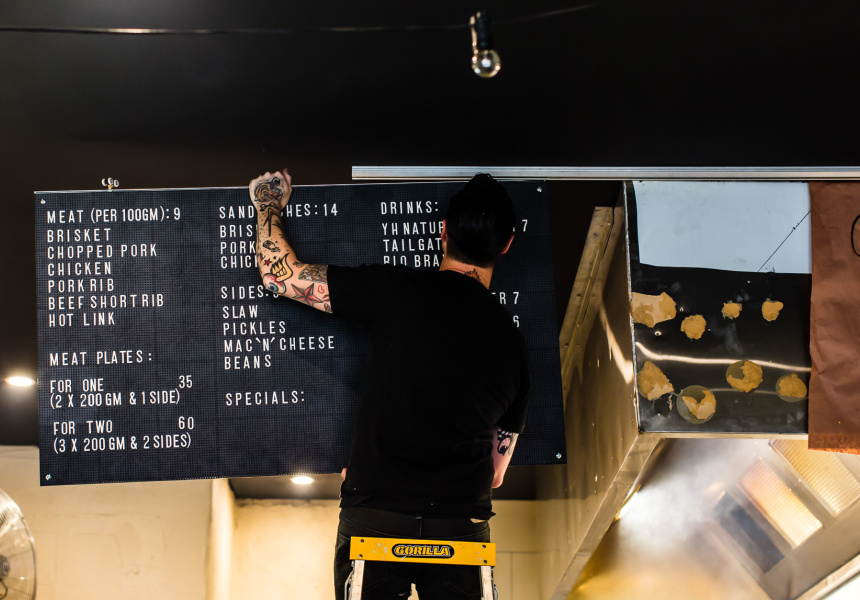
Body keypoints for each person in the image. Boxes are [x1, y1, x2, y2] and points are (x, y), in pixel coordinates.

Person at [249, 169, 530, 599]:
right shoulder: (513, 346)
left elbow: (280, 276)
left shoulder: (396, 290)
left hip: (376, 519)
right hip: (459, 530)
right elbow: (494, 474)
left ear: (443, 232)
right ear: (507, 244)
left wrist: (268, 201)